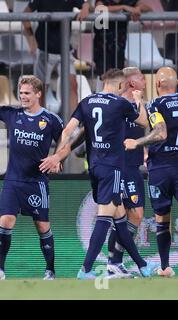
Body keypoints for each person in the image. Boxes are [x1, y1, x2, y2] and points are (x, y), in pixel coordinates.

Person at [40, 68, 159, 279]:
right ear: (121, 85)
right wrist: (139, 101)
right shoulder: (120, 103)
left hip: (94, 166)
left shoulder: (87, 102)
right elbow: (144, 122)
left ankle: (141, 265)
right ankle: (85, 269)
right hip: (112, 167)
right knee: (105, 217)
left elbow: (68, 131)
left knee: (120, 217)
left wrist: (58, 155)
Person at [0, 70, 64, 281]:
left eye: (27, 93)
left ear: (38, 94)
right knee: (5, 221)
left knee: (42, 226)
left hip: (37, 182)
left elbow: (65, 139)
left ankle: (50, 270)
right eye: (21, 92)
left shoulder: (50, 119)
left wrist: (57, 158)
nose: (23, 96)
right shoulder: (13, 114)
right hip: (13, 181)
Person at [124, 67, 176, 277]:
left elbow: (159, 132)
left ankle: (164, 267)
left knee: (162, 220)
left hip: (161, 169)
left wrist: (137, 142)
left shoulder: (155, 105)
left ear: (157, 85)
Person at [106, 67, 147, 277]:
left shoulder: (139, 104)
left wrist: (145, 149)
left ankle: (115, 261)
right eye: (141, 77)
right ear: (131, 83)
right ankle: (113, 261)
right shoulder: (119, 104)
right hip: (122, 167)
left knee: (133, 216)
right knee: (132, 214)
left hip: (134, 166)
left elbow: (143, 130)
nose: (145, 80)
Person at [23, 0, 91, 113]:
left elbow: (86, 4)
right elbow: (25, 15)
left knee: (73, 85)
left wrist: (85, 8)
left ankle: (73, 125)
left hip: (65, 51)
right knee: (41, 90)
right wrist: (31, 38)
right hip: (45, 50)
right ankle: (40, 123)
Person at [93, 1, 151, 91]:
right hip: (103, 46)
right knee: (104, 76)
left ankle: (115, 100)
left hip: (119, 47)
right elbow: (99, 8)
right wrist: (124, 7)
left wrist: (137, 9)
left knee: (118, 76)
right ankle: (100, 98)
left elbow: (147, 7)